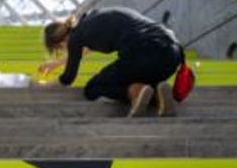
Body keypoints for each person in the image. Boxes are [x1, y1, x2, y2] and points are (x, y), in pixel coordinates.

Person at [38, 7, 183, 117]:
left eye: (60, 49)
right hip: (172, 54)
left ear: (60, 43)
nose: (65, 50)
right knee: (133, 72)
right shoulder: (92, 18)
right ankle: (159, 95)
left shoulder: (76, 38)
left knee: (93, 87)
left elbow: (68, 79)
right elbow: (86, 49)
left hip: (143, 53)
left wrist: (43, 86)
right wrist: (56, 64)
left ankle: (137, 92)